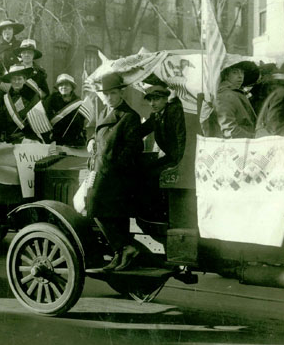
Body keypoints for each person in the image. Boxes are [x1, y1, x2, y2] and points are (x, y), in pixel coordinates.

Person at [87, 73, 143, 271]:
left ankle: (125, 249)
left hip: (117, 178)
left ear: (121, 92)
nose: (109, 98)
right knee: (108, 215)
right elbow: (95, 133)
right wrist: (91, 141)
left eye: (113, 93)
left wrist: (112, 167)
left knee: (97, 209)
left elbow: (133, 150)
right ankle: (121, 254)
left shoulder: (129, 117)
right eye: (106, 94)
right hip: (102, 172)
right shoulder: (104, 112)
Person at [140, 76, 186, 175]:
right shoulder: (156, 114)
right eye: (150, 100)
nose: (152, 104)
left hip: (180, 160)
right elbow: (141, 131)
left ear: (166, 99)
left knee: (153, 174)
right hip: (171, 157)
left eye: (156, 99)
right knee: (144, 170)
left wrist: (179, 166)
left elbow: (181, 140)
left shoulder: (175, 111)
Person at [204, 61, 256, 139]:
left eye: (242, 73)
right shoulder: (225, 95)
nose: (240, 76)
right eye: (235, 72)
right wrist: (254, 137)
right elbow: (229, 129)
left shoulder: (235, 92)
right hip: (234, 144)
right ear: (226, 75)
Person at [0, 64, 41, 143]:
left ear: (25, 80)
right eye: (14, 79)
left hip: (28, 136)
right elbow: (3, 118)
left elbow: (36, 118)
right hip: (9, 136)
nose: (16, 82)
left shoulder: (32, 96)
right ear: (10, 81)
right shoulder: (6, 97)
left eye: (19, 79)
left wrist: (23, 134)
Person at [44, 74, 86, 147]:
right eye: (61, 85)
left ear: (72, 87)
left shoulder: (77, 101)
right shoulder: (51, 99)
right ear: (57, 87)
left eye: (67, 85)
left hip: (73, 139)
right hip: (54, 137)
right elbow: (45, 117)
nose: (63, 87)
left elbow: (81, 121)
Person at [255, 65, 284, 138]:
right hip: (279, 136)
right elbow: (274, 120)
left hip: (270, 133)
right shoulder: (283, 92)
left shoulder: (279, 89)